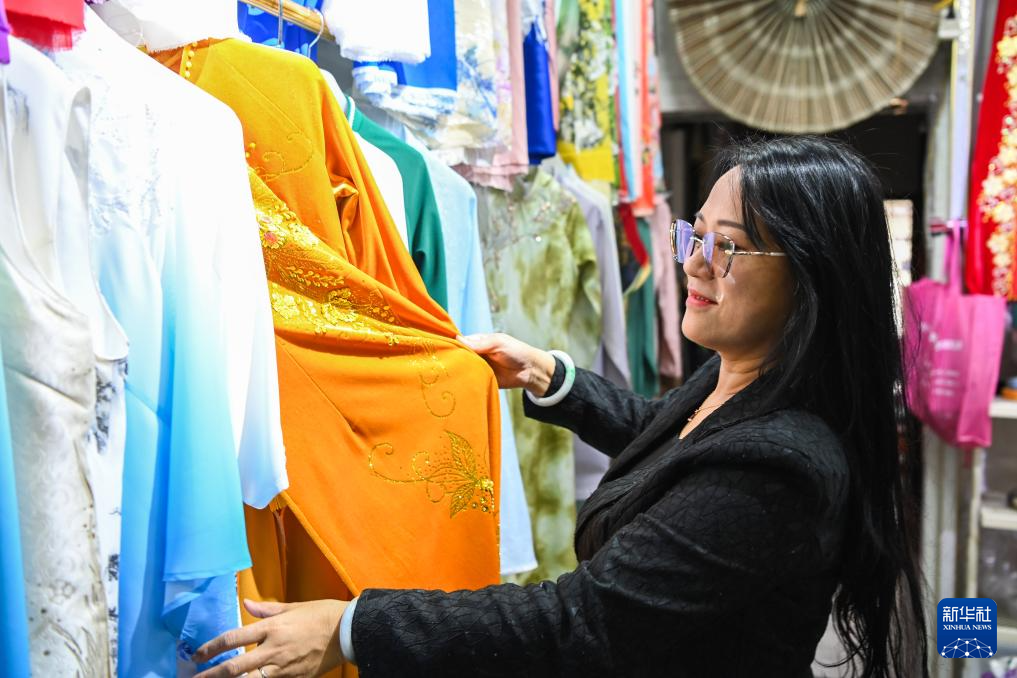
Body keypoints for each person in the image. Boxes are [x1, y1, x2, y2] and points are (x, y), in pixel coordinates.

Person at [192, 136, 928, 677]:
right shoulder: (737, 379)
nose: (693, 262)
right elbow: (670, 440)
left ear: (810, 277)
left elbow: (579, 620)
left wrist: (353, 627)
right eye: (694, 234)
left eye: (726, 247)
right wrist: (551, 375)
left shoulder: (778, 469)